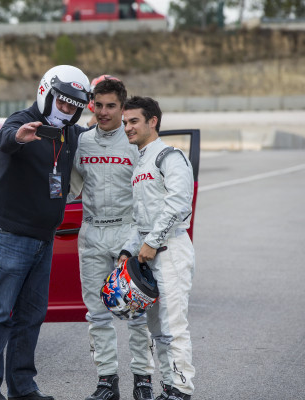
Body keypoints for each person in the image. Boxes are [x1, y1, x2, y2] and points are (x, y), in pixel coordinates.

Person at [0, 65, 91, 400]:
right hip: (9, 234)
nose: (66, 110)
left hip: (43, 236)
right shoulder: (21, 120)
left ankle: (23, 388)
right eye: (62, 103)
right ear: (46, 93)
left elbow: (100, 141)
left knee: (31, 316)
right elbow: (4, 139)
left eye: (74, 106)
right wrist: (16, 137)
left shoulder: (71, 135)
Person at [67, 78, 155, 400]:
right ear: (92, 105)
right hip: (91, 234)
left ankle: (143, 379)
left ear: (123, 106)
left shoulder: (135, 143)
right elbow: (68, 189)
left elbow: (150, 197)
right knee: (97, 314)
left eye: (111, 106)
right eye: (98, 105)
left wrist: (136, 242)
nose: (104, 112)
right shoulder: (82, 142)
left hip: (126, 233)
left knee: (136, 313)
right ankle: (107, 381)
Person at [119, 96, 196, 400]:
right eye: (125, 122)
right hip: (147, 257)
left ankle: (181, 389)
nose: (127, 127)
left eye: (133, 121)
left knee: (174, 326)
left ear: (152, 121)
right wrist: (129, 250)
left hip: (172, 251)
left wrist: (152, 242)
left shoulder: (170, 156)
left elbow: (179, 205)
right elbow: (139, 218)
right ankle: (168, 386)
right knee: (158, 331)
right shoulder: (141, 162)